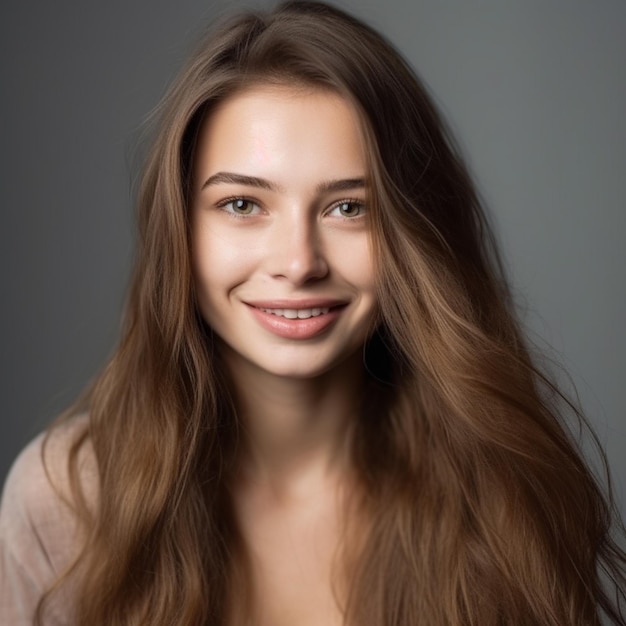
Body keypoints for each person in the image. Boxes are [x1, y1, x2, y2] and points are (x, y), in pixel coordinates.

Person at [1, 1, 624, 624]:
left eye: (349, 208)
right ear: (179, 231)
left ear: (415, 232)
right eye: (243, 204)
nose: (298, 263)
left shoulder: (503, 492)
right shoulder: (64, 503)